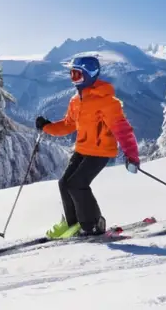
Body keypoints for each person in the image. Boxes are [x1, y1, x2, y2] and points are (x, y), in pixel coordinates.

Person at [35, 55, 140, 239]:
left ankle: (93, 224)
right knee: (64, 183)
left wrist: (132, 155)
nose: (73, 79)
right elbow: (68, 124)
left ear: (90, 75)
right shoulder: (76, 101)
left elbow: (123, 130)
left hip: (100, 153)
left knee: (78, 184)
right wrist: (47, 127)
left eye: (77, 75)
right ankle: (72, 223)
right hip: (82, 149)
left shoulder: (107, 102)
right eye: (72, 74)